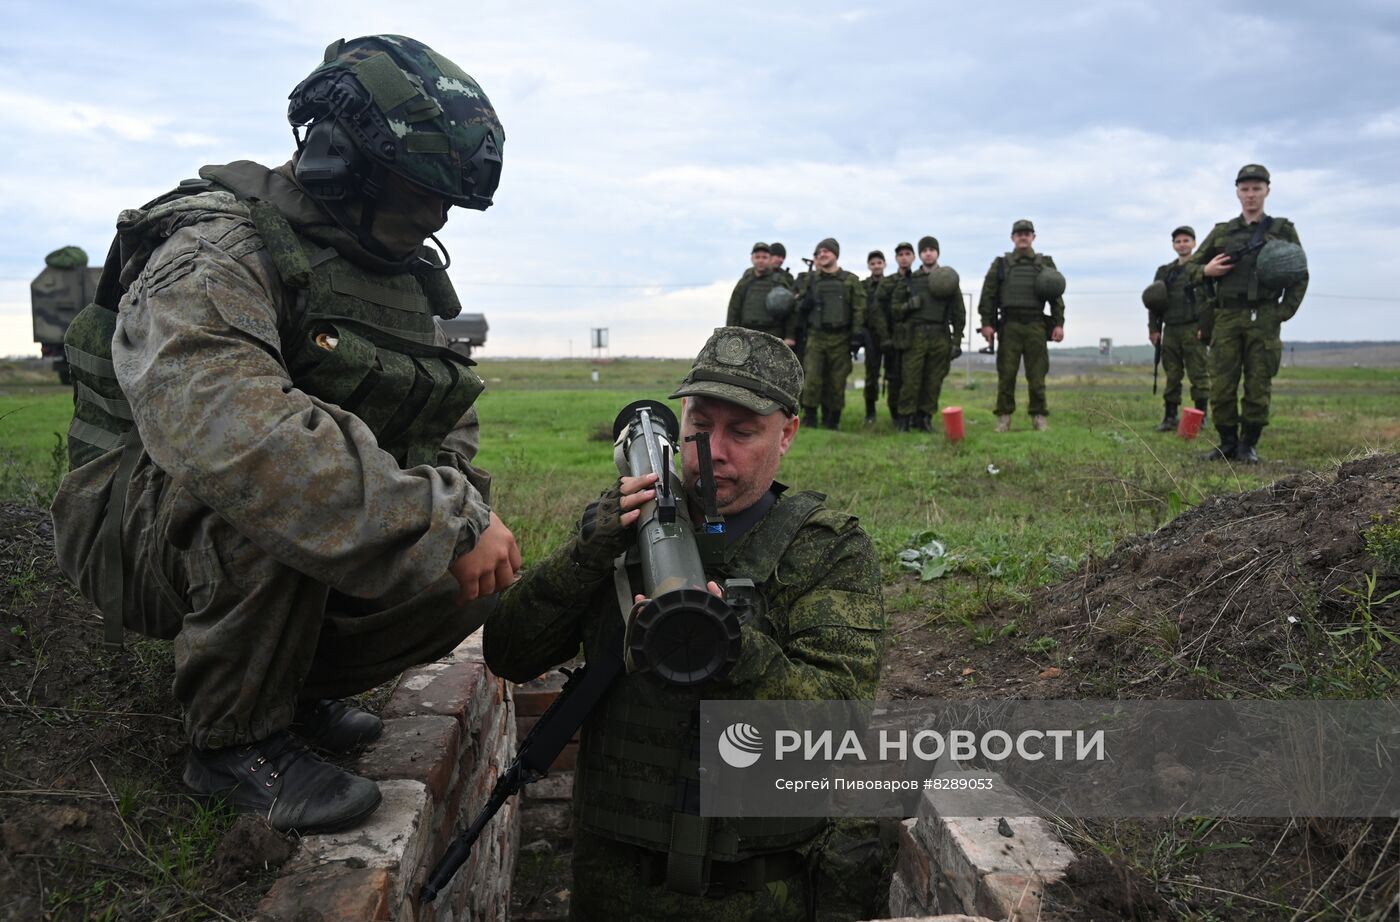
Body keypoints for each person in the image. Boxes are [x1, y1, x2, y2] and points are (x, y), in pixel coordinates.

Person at [49, 35, 522, 833]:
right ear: (344, 161)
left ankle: (293, 688)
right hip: (130, 529)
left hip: (222, 511)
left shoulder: (388, 265)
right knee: (277, 484)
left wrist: (457, 507)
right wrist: (442, 520)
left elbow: (442, 418)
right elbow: (235, 440)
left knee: (464, 569)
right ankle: (232, 742)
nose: (436, 216)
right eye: (418, 191)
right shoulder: (211, 249)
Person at [483, 326, 888, 921]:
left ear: (787, 434)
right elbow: (510, 653)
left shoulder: (825, 551)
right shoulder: (622, 531)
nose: (713, 449)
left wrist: (730, 645)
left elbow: (838, 719)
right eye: (699, 425)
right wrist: (586, 552)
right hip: (614, 886)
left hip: (757, 895)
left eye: (743, 432)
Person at [1187, 164, 1308, 463]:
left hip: (1264, 316)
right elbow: (1188, 269)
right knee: (1222, 383)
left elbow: (1300, 273)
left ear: (1267, 190)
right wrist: (1206, 270)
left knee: (1258, 382)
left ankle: (1248, 446)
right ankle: (1227, 443)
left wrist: (1283, 312)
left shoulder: (1282, 230)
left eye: (1257, 188)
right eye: (1245, 189)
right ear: (1237, 192)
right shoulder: (1222, 232)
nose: (1251, 194)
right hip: (1226, 317)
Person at [977, 219, 1066, 432]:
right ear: (1012, 238)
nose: (1023, 237)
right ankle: (1004, 417)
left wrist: (1059, 324)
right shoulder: (1001, 264)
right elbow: (988, 295)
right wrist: (987, 324)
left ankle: (1038, 416)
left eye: (1027, 233)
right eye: (1019, 234)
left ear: (1033, 237)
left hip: (1036, 324)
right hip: (1009, 326)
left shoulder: (1045, 263)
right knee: (1006, 374)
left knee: (1037, 374)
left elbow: (1056, 297)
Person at [892, 236, 964, 433]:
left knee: (934, 380)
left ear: (937, 253)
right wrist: (909, 306)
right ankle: (905, 419)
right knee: (911, 379)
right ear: (920, 254)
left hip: (940, 335)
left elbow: (959, 312)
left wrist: (957, 341)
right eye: (924, 250)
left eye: (932, 249)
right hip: (915, 336)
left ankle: (925, 419)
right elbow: (894, 310)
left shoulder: (948, 279)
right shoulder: (910, 280)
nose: (928, 253)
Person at [794, 238, 865, 430]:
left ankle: (832, 419)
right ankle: (809, 418)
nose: (823, 254)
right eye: (819, 252)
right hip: (816, 337)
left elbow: (859, 309)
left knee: (837, 380)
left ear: (836, 254)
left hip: (841, 338)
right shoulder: (810, 280)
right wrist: (803, 304)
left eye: (827, 251)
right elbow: (795, 306)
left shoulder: (850, 280)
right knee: (812, 378)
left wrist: (857, 336)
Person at [1145, 226, 1211, 431]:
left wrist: (1206, 327)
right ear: (1173, 245)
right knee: (1172, 375)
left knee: (1198, 374)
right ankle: (1169, 417)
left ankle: (1201, 417)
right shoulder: (1165, 272)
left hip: (1194, 328)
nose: (1182, 245)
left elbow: (1211, 300)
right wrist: (1154, 330)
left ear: (1194, 243)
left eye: (1186, 241)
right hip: (1171, 329)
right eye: (1178, 241)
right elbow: (1154, 302)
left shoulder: (1202, 269)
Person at [874, 242, 916, 426]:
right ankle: (896, 415)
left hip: (915, 338)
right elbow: (878, 311)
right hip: (893, 339)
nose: (904, 257)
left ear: (913, 257)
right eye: (900, 254)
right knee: (894, 378)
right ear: (896, 259)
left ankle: (913, 416)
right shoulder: (888, 283)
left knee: (913, 378)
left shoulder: (920, 280)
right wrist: (885, 337)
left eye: (908, 253)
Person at [727, 241, 796, 344]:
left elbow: (790, 310)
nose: (760, 260)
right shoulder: (745, 282)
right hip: (747, 333)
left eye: (764, 257)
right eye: (757, 257)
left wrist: (790, 336)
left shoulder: (778, 281)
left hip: (772, 334)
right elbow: (734, 309)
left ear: (769, 259)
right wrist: (730, 333)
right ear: (752, 259)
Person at [860, 250, 887, 424]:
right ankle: (870, 412)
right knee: (871, 375)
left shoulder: (891, 284)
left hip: (889, 335)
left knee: (894, 374)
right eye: (873, 263)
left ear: (884, 264)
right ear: (869, 266)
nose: (876, 266)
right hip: (870, 335)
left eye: (879, 263)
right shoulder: (863, 286)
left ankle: (897, 412)